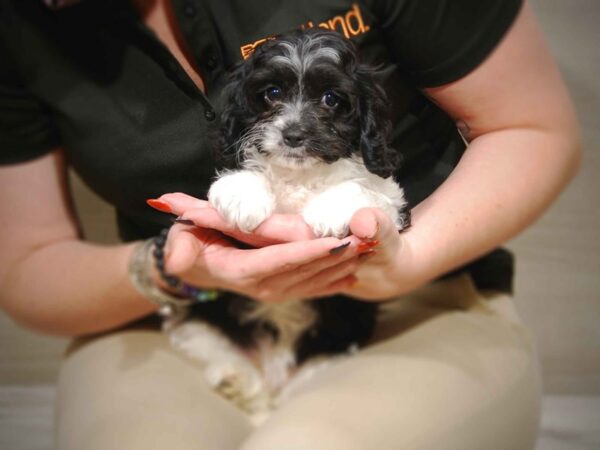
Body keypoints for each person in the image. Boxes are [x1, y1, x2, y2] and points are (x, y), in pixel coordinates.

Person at [0, 0, 581, 449]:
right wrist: (174, 269)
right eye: (272, 96)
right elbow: (28, 261)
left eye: (330, 104)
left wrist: (397, 261)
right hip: (189, 319)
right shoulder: (18, 25)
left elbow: (533, 129)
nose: (297, 125)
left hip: (413, 307)